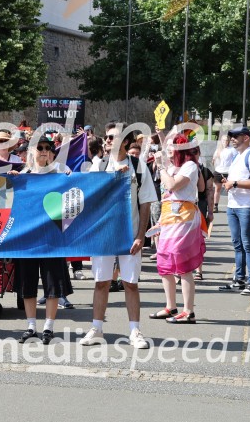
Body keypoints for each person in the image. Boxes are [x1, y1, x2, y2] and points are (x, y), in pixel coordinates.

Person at [81, 125, 156, 348]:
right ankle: (97, 328)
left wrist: (141, 236)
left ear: (125, 141)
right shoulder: (98, 164)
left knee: (130, 283)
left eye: (112, 137)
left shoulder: (137, 166)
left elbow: (146, 203)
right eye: (106, 137)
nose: (107, 140)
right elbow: (89, 196)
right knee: (101, 282)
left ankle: (135, 331)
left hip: (129, 233)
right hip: (104, 234)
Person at [9, 136, 73, 345]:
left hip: (52, 239)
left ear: (52, 153)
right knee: (28, 284)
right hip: (28, 240)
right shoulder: (22, 176)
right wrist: (12, 180)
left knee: (52, 284)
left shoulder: (60, 175)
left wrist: (71, 178)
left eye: (48, 148)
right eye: (40, 148)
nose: (44, 151)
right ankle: (30, 326)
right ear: (32, 152)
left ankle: (48, 327)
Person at [148, 133, 206, 324]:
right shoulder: (174, 166)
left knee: (182, 265)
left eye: (171, 147)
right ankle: (170, 306)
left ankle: (188, 311)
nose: (167, 151)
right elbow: (166, 190)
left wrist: (163, 167)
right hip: (169, 216)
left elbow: (172, 185)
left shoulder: (190, 166)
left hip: (183, 217)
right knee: (164, 262)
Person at [220, 127, 250, 296]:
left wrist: (235, 183)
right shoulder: (237, 156)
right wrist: (229, 182)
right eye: (231, 136)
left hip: (247, 206)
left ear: (245, 137)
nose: (232, 139)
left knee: (247, 245)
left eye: (235, 136)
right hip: (233, 205)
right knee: (238, 245)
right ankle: (239, 279)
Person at [212, 136, 237, 213]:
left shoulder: (232, 150)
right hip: (219, 171)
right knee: (217, 189)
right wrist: (214, 162)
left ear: (229, 141)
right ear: (221, 141)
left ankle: (233, 206)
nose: (225, 142)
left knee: (230, 189)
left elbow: (236, 160)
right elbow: (213, 159)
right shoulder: (218, 150)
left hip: (228, 172)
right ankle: (215, 206)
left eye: (227, 140)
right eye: (224, 140)